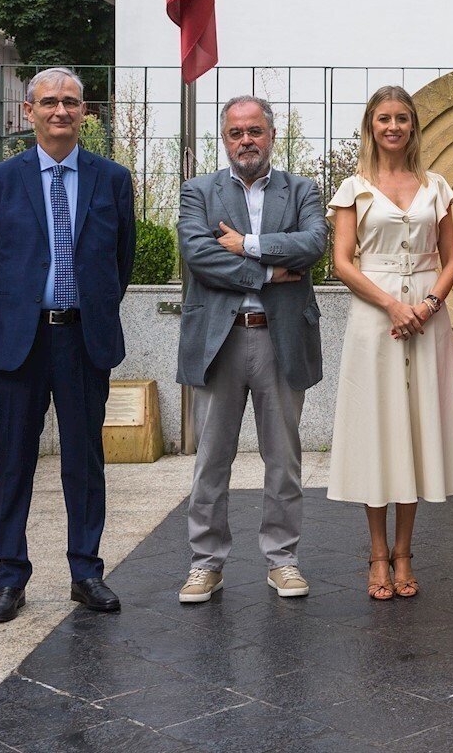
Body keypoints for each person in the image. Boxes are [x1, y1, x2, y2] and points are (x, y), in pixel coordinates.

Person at [0, 67, 136, 622]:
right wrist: (26, 306)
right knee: (13, 460)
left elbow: (120, 260)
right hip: (22, 340)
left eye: (71, 101)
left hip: (84, 339)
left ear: (84, 112)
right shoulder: (1, 179)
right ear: (29, 112)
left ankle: (86, 571)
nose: (60, 111)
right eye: (49, 102)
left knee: (84, 459)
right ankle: (10, 576)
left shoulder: (111, 178)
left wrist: (89, 308)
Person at [175, 95, 328, 602]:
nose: (246, 141)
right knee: (211, 461)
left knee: (283, 460)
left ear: (271, 135)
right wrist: (265, 273)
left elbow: (313, 244)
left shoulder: (302, 189)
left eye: (255, 131)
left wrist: (247, 246)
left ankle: (283, 560)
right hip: (218, 340)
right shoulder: (199, 191)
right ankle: (205, 563)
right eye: (236, 133)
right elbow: (198, 255)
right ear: (225, 139)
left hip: (279, 339)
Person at [325, 87, 453, 600]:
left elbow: (452, 260)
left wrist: (428, 305)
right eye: (384, 118)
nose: (393, 127)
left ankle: (405, 551)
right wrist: (392, 305)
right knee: (378, 429)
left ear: (413, 126)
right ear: (371, 125)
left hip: (427, 319)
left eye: (402, 118)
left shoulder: (437, 186)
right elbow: (342, 262)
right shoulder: (354, 188)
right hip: (376, 319)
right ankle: (377, 552)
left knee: (414, 428)